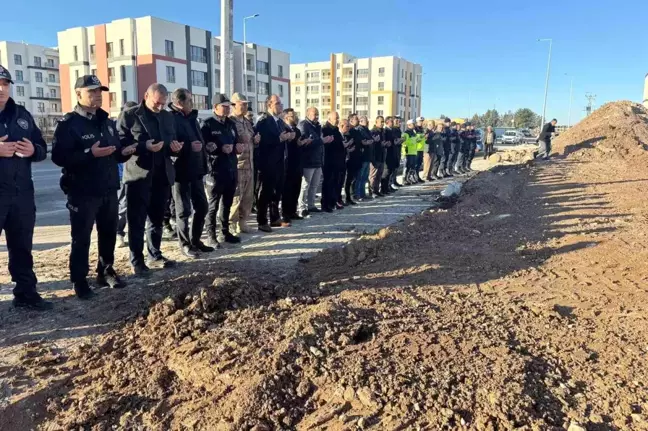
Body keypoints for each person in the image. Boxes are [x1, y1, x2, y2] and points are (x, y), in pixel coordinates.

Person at [52, 75, 137, 299]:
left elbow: (115, 153)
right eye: (92, 91)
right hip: (83, 191)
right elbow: (60, 157)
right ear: (78, 94)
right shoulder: (69, 124)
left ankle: (106, 271)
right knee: (81, 238)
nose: (98, 95)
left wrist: (125, 152)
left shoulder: (106, 122)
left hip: (108, 188)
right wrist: (90, 154)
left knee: (108, 233)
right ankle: (79, 280)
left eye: (100, 91)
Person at [0, 65, 51, 310]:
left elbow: (41, 146)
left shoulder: (22, 114)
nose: (1, 88)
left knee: (22, 245)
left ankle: (25, 292)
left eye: (5, 83)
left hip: (21, 193)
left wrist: (34, 151)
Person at [117, 83, 182, 275]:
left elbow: (171, 140)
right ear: (146, 96)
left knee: (156, 219)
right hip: (139, 175)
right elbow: (121, 143)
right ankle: (137, 260)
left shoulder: (167, 116)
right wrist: (144, 146)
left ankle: (155, 253)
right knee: (136, 220)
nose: (160, 107)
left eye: (163, 104)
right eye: (157, 103)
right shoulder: (130, 115)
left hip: (162, 175)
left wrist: (175, 148)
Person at [168, 88, 214, 258]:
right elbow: (170, 143)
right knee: (183, 211)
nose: (192, 103)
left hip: (197, 170)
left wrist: (205, 149)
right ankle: (185, 244)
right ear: (179, 102)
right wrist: (189, 146)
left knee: (202, 207)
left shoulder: (192, 118)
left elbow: (198, 139)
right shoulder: (171, 119)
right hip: (180, 171)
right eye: (189, 100)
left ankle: (196, 240)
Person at [201, 94, 241, 245]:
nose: (227, 109)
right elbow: (203, 146)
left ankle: (225, 232)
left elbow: (235, 141)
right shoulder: (208, 124)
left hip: (231, 168)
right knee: (213, 205)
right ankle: (211, 235)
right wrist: (218, 148)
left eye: (228, 106)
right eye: (223, 106)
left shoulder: (230, 123)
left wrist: (237, 147)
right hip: (215, 170)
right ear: (215, 107)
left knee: (227, 204)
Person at [254, 95, 294, 232]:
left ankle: (275, 218)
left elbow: (289, 132)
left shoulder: (280, 121)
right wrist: (279, 138)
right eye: (277, 104)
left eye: (281, 104)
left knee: (277, 191)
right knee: (266, 192)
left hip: (280, 161)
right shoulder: (264, 121)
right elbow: (262, 141)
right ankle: (262, 220)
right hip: (267, 162)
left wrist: (290, 136)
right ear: (269, 105)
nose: (280, 106)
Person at [229, 93, 259, 234]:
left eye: (246, 104)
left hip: (250, 164)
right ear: (234, 105)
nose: (245, 106)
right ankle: (231, 224)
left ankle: (243, 221)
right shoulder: (230, 122)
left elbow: (250, 141)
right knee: (236, 197)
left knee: (247, 197)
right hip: (238, 166)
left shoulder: (247, 122)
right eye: (243, 104)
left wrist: (256, 140)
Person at [282, 108, 311, 223]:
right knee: (287, 189)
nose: (295, 118)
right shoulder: (283, 129)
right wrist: (289, 139)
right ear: (286, 118)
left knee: (296, 188)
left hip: (298, 163)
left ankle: (293, 211)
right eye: (292, 116)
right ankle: (286, 213)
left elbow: (299, 143)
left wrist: (302, 143)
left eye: (295, 115)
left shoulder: (297, 131)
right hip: (288, 163)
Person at [116, 101, 138, 249]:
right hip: (120, 175)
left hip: (136, 174)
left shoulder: (137, 129)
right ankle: (119, 233)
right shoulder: (116, 128)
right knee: (122, 206)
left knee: (135, 206)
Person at [297, 107, 326, 217]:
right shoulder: (304, 125)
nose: (317, 116)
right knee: (305, 186)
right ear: (308, 114)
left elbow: (318, 140)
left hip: (317, 160)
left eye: (318, 114)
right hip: (308, 160)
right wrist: (321, 141)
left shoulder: (318, 126)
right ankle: (302, 207)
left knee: (314, 185)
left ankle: (311, 205)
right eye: (315, 114)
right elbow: (306, 142)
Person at [321, 112, 345, 212]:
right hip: (328, 160)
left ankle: (333, 201)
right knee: (328, 183)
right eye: (336, 118)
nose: (338, 120)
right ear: (329, 118)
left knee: (336, 182)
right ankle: (326, 204)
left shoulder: (336, 130)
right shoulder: (325, 129)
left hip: (337, 160)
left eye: (338, 118)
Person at [354, 116, 374, 200]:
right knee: (360, 176)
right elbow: (362, 141)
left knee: (365, 177)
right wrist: (367, 142)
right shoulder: (359, 129)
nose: (368, 122)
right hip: (362, 155)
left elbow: (370, 139)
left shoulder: (366, 129)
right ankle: (357, 194)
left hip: (367, 156)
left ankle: (363, 194)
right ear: (361, 121)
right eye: (366, 121)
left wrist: (370, 141)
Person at [342, 117, 361, 205]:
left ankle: (349, 197)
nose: (348, 128)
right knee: (346, 180)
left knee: (351, 179)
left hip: (354, 158)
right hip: (347, 159)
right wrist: (347, 147)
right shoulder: (344, 135)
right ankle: (346, 197)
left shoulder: (355, 132)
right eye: (347, 126)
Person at [369, 116, 386, 197]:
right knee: (373, 175)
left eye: (383, 122)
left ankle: (376, 190)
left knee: (379, 175)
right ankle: (371, 191)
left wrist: (385, 144)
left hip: (382, 156)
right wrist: (378, 143)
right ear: (376, 122)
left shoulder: (382, 131)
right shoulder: (373, 131)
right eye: (381, 122)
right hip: (375, 156)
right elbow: (372, 144)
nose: (382, 123)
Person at [380, 117, 397, 195]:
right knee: (386, 172)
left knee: (390, 171)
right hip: (387, 153)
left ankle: (387, 187)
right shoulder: (385, 131)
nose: (393, 123)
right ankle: (383, 188)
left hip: (392, 152)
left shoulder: (392, 130)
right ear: (387, 122)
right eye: (391, 121)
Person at [402, 119, 418, 185]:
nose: (414, 125)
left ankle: (409, 178)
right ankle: (404, 179)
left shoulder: (414, 133)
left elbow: (415, 141)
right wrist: (404, 153)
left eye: (414, 124)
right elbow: (403, 143)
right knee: (407, 166)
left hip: (413, 152)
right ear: (408, 125)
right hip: (408, 152)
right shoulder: (406, 133)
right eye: (412, 124)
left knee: (412, 166)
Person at [391, 117, 404, 188]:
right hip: (393, 151)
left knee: (396, 166)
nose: (399, 123)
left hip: (398, 150)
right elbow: (395, 140)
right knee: (393, 167)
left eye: (399, 121)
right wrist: (399, 140)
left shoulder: (398, 130)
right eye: (397, 121)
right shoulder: (393, 129)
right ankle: (392, 182)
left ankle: (394, 181)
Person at [414, 117, 426, 182]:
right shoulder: (415, 129)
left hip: (421, 148)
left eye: (422, 121)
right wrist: (422, 136)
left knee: (419, 164)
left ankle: (417, 176)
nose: (421, 122)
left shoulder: (422, 129)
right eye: (420, 121)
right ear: (417, 122)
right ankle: (414, 176)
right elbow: (415, 138)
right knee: (415, 164)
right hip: (416, 149)